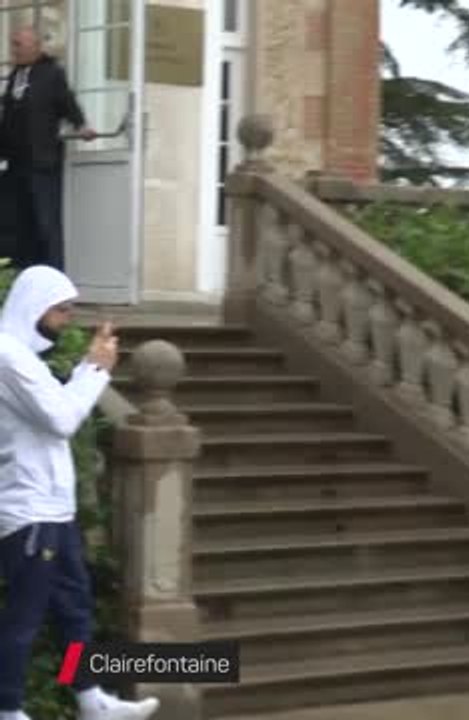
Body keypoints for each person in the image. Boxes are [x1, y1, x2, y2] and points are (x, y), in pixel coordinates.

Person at [0, 266, 158, 720]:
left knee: (74, 608)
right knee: (24, 617)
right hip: (29, 510)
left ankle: (93, 700)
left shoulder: (27, 360)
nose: (68, 319)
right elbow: (63, 420)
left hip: (54, 508)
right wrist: (96, 369)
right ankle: (8, 709)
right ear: (35, 306)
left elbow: (56, 412)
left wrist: (90, 366)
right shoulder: (9, 358)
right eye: (62, 310)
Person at [0, 27, 97, 271]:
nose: (15, 50)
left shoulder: (52, 73)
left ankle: (55, 284)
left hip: (42, 163)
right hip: (16, 164)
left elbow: (67, 102)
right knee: (18, 224)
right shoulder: (15, 75)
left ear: (35, 46)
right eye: (13, 44)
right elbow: (9, 118)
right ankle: (22, 279)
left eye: (19, 44)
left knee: (46, 224)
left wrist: (81, 124)